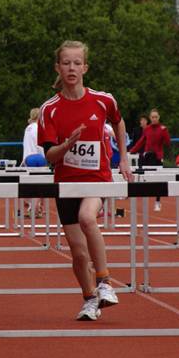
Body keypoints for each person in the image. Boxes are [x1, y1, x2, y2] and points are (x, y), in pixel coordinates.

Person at [38, 40, 132, 321]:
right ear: (58, 67)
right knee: (78, 254)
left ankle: (105, 281)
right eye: (66, 63)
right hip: (66, 183)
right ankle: (90, 298)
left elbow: (118, 121)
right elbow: (50, 156)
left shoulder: (104, 100)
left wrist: (123, 159)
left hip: (97, 178)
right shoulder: (49, 110)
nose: (72, 68)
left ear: (85, 68)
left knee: (88, 218)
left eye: (77, 63)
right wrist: (67, 145)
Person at [130, 108, 170, 211]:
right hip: (147, 157)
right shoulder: (147, 129)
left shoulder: (163, 128)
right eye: (152, 117)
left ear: (159, 117)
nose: (154, 119)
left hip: (157, 158)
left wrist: (165, 132)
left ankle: (157, 202)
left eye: (156, 117)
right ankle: (144, 203)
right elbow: (141, 142)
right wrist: (131, 152)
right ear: (150, 118)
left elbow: (168, 143)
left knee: (158, 180)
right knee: (145, 179)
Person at [21, 108, 46, 218]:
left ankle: (34, 207)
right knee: (40, 184)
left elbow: (25, 145)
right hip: (39, 156)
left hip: (28, 157)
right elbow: (41, 145)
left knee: (29, 184)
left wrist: (23, 160)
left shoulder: (28, 128)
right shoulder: (40, 128)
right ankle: (38, 208)